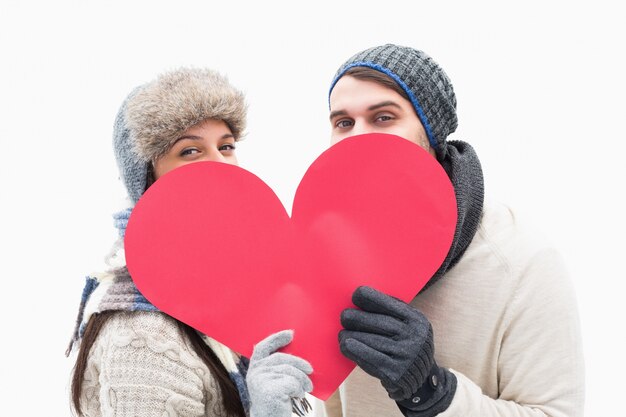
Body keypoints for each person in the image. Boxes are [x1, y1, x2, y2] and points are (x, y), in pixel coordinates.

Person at [314, 44, 585, 417]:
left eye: (383, 117)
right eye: (344, 123)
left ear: (431, 132)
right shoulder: (330, 254)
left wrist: (432, 392)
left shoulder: (523, 262)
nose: (359, 138)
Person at [66, 67, 313, 417]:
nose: (220, 164)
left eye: (225, 146)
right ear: (148, 183)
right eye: (190, 151)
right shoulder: (143, 338)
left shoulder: (240, 296)